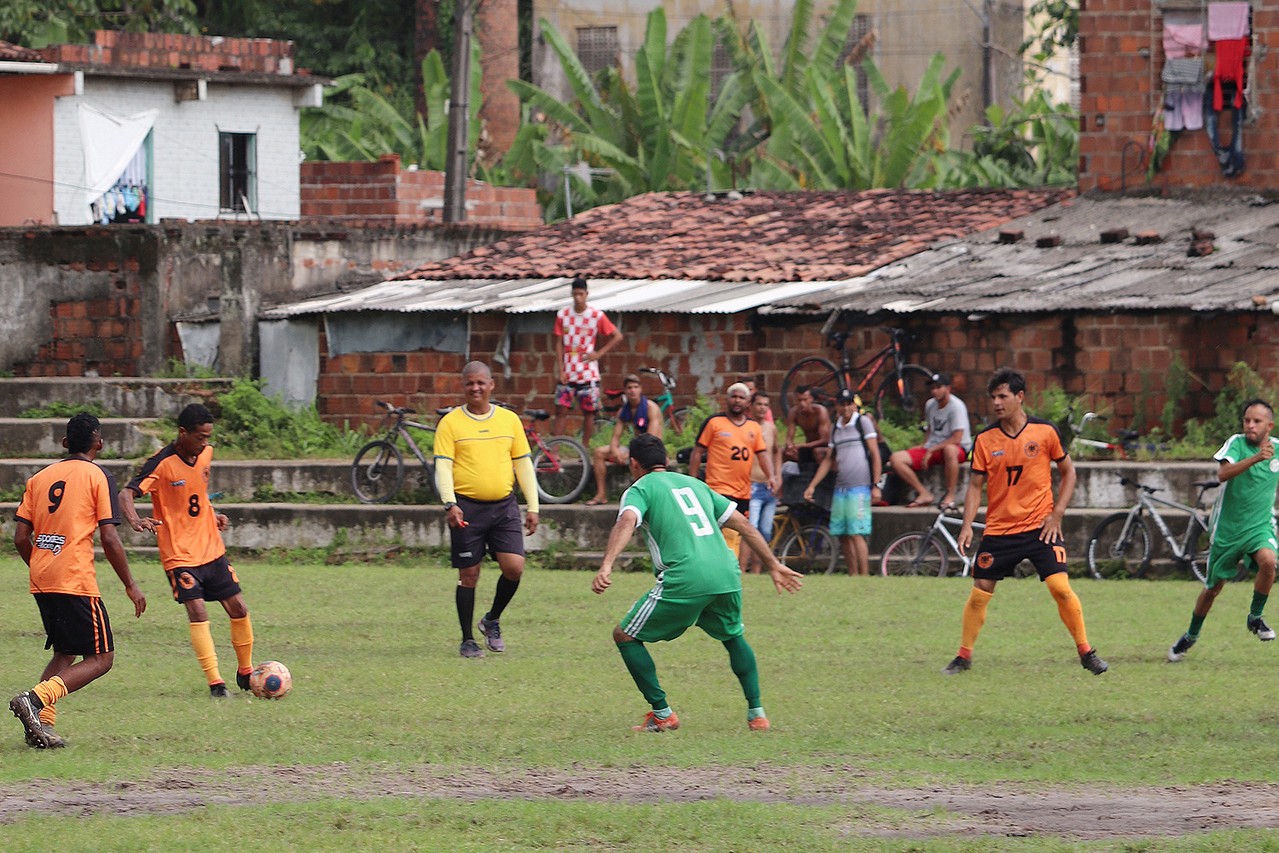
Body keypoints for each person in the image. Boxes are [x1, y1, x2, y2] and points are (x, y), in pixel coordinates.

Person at [592, 433, 804, 732]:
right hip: (726, 573)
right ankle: (757, 714)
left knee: (624, 635)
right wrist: (773, 564)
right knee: (733, 637)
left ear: (634, 464)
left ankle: (663, 714)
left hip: (686, 576)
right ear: (664, 460)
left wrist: (607, 564)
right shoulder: (696, 484)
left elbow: (626, 521)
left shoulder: (639, 488)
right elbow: (743, 524)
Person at [944, 367, 1108, 676]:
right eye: (993, 397)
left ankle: (1087, 653)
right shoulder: (985, 439)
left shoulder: (1045, 432)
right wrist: (967, 524)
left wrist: (1057, 513)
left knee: (1060, 587)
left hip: (1039, 528)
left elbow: (1069, 472)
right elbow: (974, 487)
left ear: (1020, 397)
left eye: (1003, 396)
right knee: (980, 589)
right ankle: (963, 657)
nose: (996, 403)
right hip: (1000, 531)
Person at [10, 413, 147, 748]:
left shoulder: (40, 477)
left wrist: (41, 564)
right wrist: (131, 584)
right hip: (73, 577)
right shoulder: (98, 475)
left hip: (42, 577)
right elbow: (110, 538)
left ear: (65, 443)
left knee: (66, 650)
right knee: (102, 658)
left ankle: (40, 726)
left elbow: (19, 537)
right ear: (98, 444)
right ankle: (35, 699)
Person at [120, 404, 255, 698]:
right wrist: (134, 520)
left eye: (208, 437)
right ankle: (216, 684)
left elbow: (197, 491)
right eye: (199, 437)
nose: (204, 443)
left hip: (211, 548)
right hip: (179, 554)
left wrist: (212, 512)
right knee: (197, 610)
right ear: (182, 433)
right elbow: (126, 493)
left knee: (239, 609)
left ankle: (245, 671)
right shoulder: (161, 463)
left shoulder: (206, 454)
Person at [435, 361, 541, 658]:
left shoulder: (509, 420)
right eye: (470, 383)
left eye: (481, 382)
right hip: (466, 507)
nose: (476, 388)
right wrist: (450, 503)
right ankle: (468, 639)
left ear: (492, 385)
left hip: (504, 506)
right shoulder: (451, 423)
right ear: (463, 386)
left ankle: (491, 619)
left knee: (514, 567)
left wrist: (533, 506)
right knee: (469, 573)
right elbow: (442, 466)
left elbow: (522, 463)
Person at [1168, 399, 1279, 662]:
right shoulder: (1237, 444)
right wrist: (1255, 458)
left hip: (1259, 527)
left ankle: (1255, 617)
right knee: (1212, 589)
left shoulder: (1277, 450)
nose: (1250, 425)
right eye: (1247, 420)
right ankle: (1190, 636)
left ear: (1270, 426)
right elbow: (1223, 474)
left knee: (1269, 561)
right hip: (1228, 530)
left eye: (1257, 421)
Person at [688, 383, 776, 560]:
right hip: (718, 488)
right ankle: (727, 568)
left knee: (736, 533)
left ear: (747, 402)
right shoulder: (715, 422)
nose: (737, 400)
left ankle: (729, 568)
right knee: (724, 532)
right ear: (727, 399)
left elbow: (762, 453)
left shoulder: (753, 427)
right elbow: (697, 451)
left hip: (743, 491)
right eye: (734, 396)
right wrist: (693, 478)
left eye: (741, 397)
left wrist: (771, 476)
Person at [803, 389, 882, 575]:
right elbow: (829, 459)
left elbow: (876, 455)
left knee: (856, 532)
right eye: (842, 404)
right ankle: (852, 574)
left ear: (854, 405)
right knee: (843, 534)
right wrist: (812, 485)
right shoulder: (835, 428)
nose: (846, 408)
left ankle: (864, 575)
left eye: (849, 404)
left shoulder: (863, 423)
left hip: (860, 487)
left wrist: (876, 485)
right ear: (837, 406)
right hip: (841, 488)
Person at [552, 277, 624, 444]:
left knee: (589, 412)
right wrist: (561, 370)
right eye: (575, 294)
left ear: (586, 294)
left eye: (581, 294)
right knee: (561, 410)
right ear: (571, 294)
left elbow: (617, 336)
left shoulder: (596, 315)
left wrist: (598, 354)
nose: (578, 298)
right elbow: (558, 343)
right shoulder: (563, 315)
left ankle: (583, 448)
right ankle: (554, 450)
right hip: (568, 372)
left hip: (588, 373)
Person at [888, 372, 972, 509]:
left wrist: (932, 449)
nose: (935, 391)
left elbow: (957, 438)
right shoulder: (930, 404)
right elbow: (930, 430)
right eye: (932, 388)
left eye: (939, 387)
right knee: (896, 458)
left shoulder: (956, 406)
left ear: (948, 388)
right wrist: (924, 446)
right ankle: (923, 493)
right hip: (933, 447)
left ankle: (950, 495)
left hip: (957, 448)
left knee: (949, 450)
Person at [586, 373, 663, 506]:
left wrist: (630, 453)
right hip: (635, 448)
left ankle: (647, 498)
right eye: (629, 388)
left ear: (640, 389)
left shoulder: (651, 408)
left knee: (644, 457)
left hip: (652, 450)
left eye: (635, 387)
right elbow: (616, 436)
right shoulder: (624, 410)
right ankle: (601, 495)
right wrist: (615, 451)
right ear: (625, 391)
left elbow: (651, 440)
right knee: (599, 452)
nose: (632, 390)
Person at [742, 391, 782, 574]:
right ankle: (742, 569)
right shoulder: (746, 427)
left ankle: (757, 570)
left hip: (768, 485)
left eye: (766, 405)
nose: (762, 408)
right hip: (751, 484)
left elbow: (776, 451)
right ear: (751, 406)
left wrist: (777, 475)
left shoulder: (771, 428)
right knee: (749, 529)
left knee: (765, 531)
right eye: (759, 404)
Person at [783, 386, 832, 465]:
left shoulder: (820, 411)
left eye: (805, 400)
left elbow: (825, 439)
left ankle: (823, 476)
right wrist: (790, 446)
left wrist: (802, 445)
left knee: (818, 452)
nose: (802, 403)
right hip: (807, 446)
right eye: (799, 400)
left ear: (811, 399)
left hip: (822, 447)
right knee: (783, 451)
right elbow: (789, 437)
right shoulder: (794, 412)